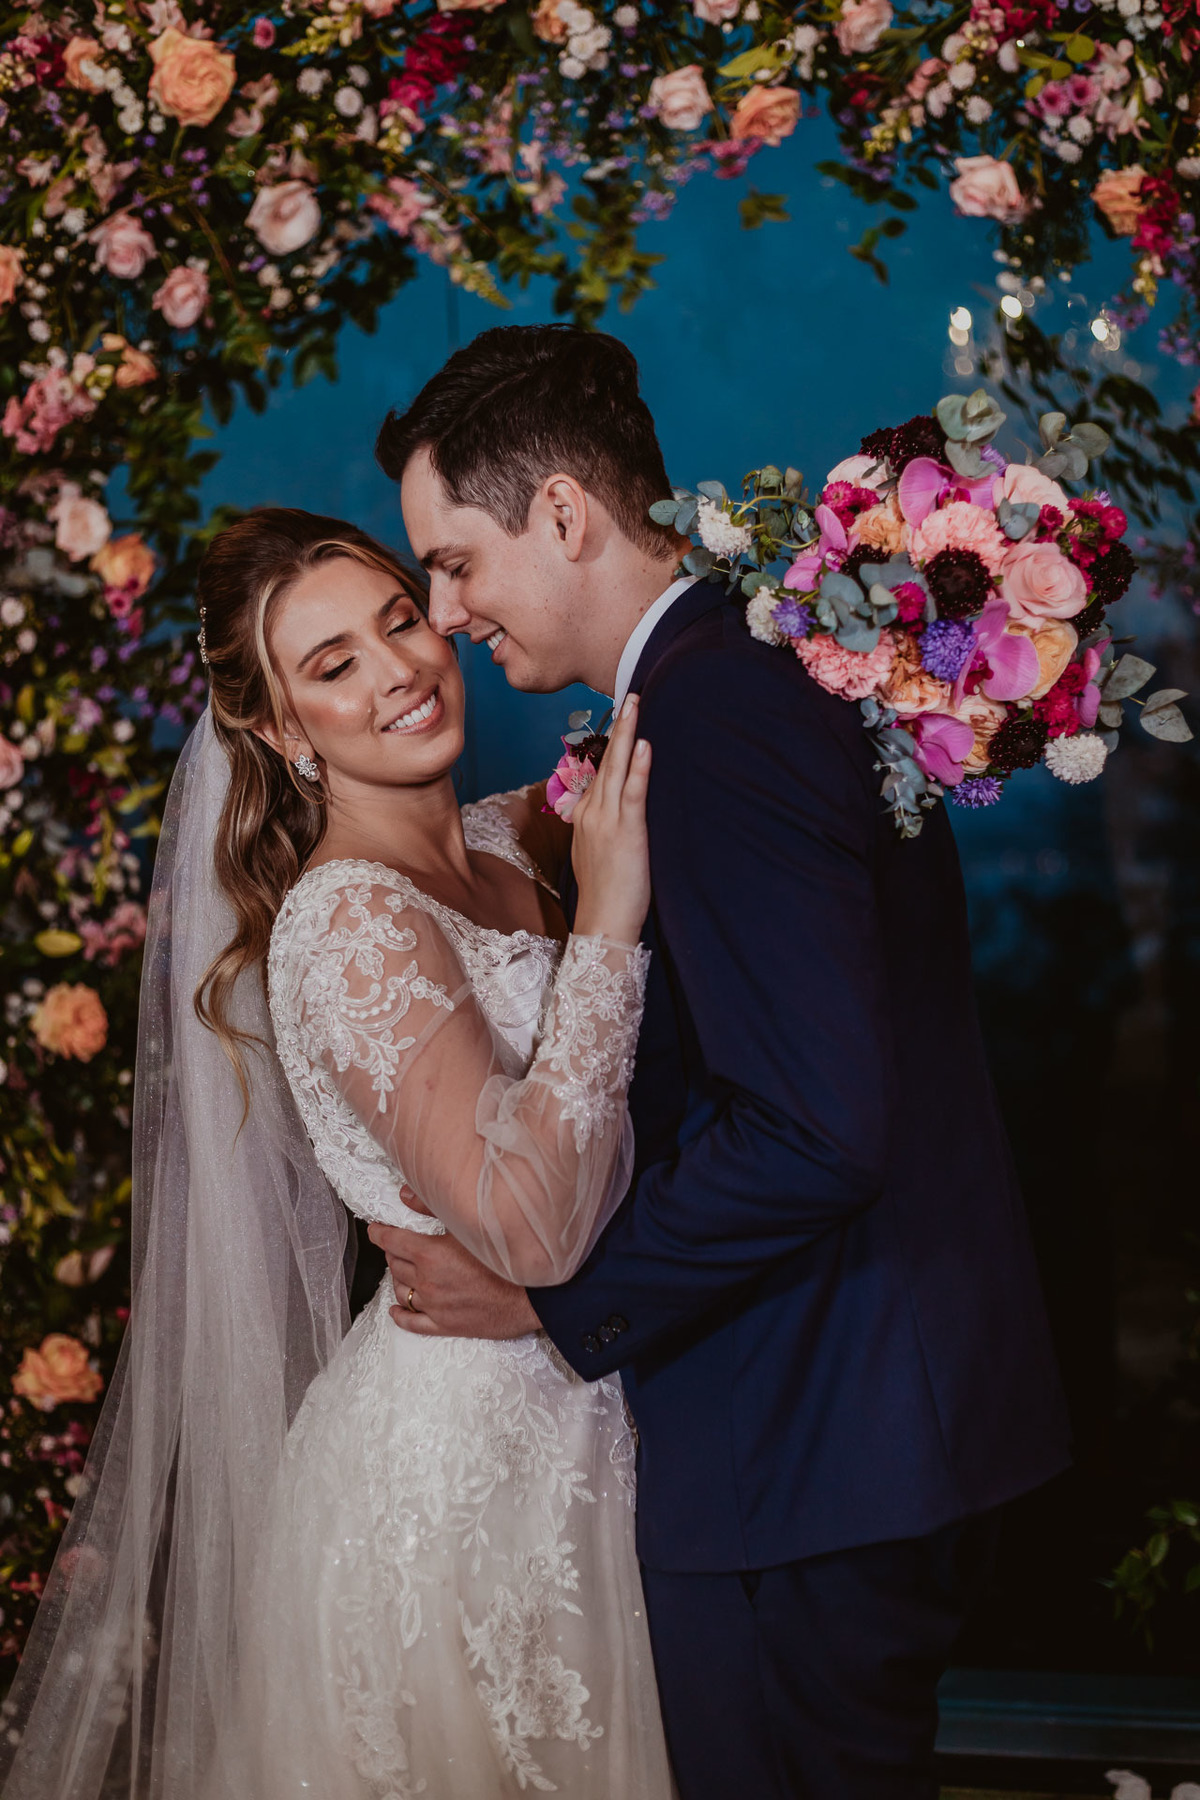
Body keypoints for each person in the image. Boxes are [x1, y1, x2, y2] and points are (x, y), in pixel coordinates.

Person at [370, 323, 1075, 1800]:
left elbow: (815, 1126)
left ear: (564, 512)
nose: (444, 615)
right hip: (857, 1425)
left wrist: (550, 1302)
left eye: (455, 562)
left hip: (804, 1448)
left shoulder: (719, 716)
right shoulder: (743, 674)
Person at [0, 509, 674, 1800]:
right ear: (278, 729)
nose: (399, 670)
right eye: (333, 665)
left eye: (401, 620)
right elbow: (533, 1228)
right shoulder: (348, 921)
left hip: (587, 1418)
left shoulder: (509, 842)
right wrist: (610, 927)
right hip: (462, 1482)